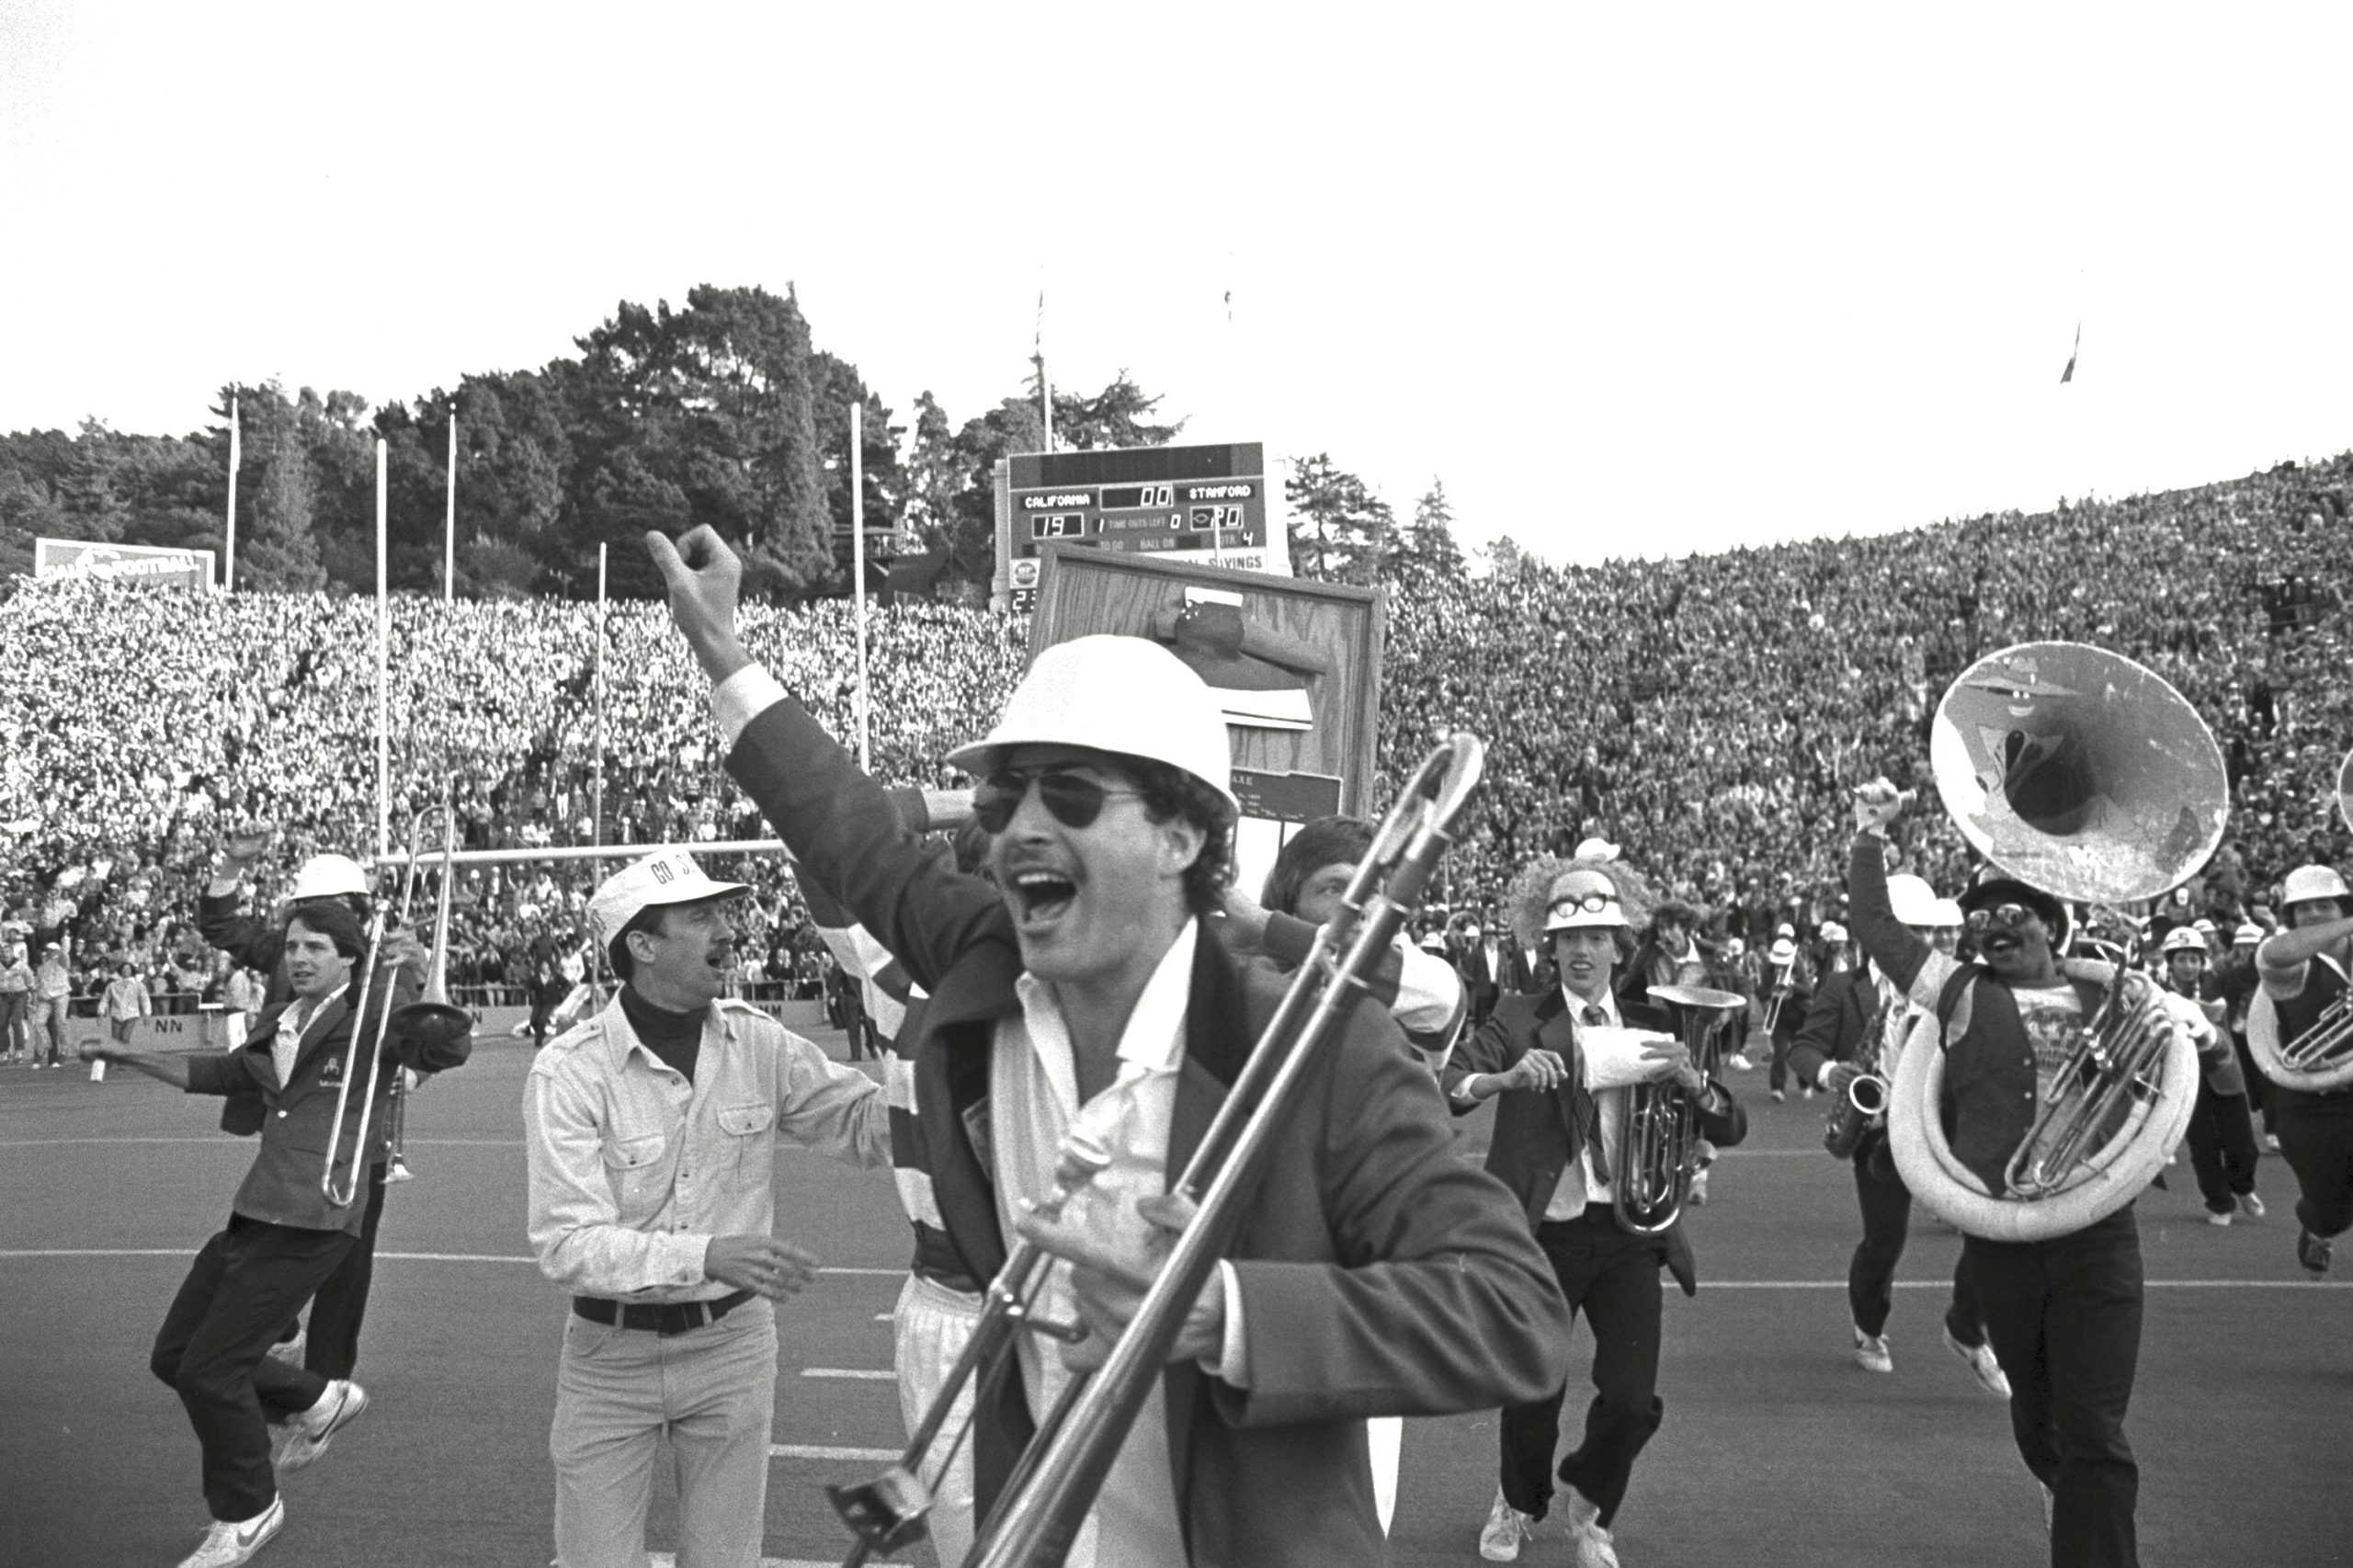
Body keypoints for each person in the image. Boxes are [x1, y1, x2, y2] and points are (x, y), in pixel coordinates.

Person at [644, 523, 1568, 1568]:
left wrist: (1220, 1311)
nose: (1019, 828)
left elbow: (1514, 1307)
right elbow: (849, 832)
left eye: (1072, 794)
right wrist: (721, 649)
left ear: (1181, 838)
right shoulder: (985, 952)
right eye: (1005, 798)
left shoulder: (1315, 1043)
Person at [525, 847, 892, 1568]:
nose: (728, 930)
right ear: (642, 944)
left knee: (726, 1561)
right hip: (609, 1359)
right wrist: (705, 1254)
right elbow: (566, 1243)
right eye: (702, 917)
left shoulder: (757, 1040)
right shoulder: (568, 1072)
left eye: (725, 911)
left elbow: (860, 1124)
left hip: (733, 1346)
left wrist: (934, 1062)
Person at [80, 901, 470, 1568]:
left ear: (349, 957)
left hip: (316, 1222)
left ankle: (250, 1511)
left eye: (317, 947)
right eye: (293, 946)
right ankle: (320, 1397)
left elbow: (443, 1046)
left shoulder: (373, 1014)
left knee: (212, 1368)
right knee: (175, 1357)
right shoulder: (288, 1020)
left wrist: (422, 971)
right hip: (259, 1212)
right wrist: (128, 1053)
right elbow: (227, 1075)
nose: (299, 957)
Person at [1849, 778, 2146, 1568]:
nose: (1991, 930)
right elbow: (1874, 927)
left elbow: (2157, 1075)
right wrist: (1869, 835)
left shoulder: (2112, 996)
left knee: (2096, 1433)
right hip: (2004, 1237)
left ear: (2051, 924)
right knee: (2040, 1422)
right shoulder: (1957, 992)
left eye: (2011, 914)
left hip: (2096, 1233)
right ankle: (2063, 1492)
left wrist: (2209, 1044)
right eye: (1978, 919)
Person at [1443, 854, 1746, 1568]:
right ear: (1549, 948)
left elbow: (1730, 1127)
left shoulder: (1653, 1018)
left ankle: (1592, 1500)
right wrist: (1506, 1076)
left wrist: (1692, 1080)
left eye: (1597, 937)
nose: (1582, 951)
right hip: (1542, 1234)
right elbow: (1450, 1083)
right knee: (1533, 1388)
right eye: (1568, 940)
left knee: (1634, 1401)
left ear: (1620, 945)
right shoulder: (1518, 1015)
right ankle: (1517, 1503)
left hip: (1630, 1235)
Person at [1218, 813, 1472, 1535]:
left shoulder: (1423, 980)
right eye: (1338, 888)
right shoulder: (1249, 982)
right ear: (1292, 896)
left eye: (1376, 890)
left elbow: (1373, 976)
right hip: (1248, 1281)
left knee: (1351, 1517)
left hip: (1366, 1288)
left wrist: (1257, 922)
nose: (1360, 906)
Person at [1788, 871, 2006, 1393]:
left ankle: (1969, 1328)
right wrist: (1828, 1073)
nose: (1927, 943)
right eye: (1916, 931)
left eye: (1933, 932)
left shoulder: (1959, 983)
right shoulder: (1845, 986)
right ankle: (1869, 1329)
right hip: (1881, 1128)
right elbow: (1803, 1047)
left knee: (1992, 1230)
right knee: (1885, 1243)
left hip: (1950, 1127)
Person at [198, 836, 398, 1395]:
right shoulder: (292, 950)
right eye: (302, 911)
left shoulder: (388, 961)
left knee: (347, 1261)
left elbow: (417, 1036)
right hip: (291, 1125)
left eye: (335, 907)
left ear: (357, 911)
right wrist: (232, 864)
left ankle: (326, 1381)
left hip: (357, 1137)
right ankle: (280, 1330)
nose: (306, 927)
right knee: (264, 1234)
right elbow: (220, 926)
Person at [2252, 864, 2353, 1278]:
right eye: (2302, 909)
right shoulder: (2288, 962)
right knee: (2332, 1207)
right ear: (2289, 919)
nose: (2313, 914)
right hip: (2311, 1105)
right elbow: (2275, 953)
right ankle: (2317, 1225)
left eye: (2323, 905)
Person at [2154, 926, 2264, 1227]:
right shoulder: (2157, 992)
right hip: (2183, 1078)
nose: (2189, 966)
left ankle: (2243, 1186)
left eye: (2194, 959)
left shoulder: (2220, 983)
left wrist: (2264, 930)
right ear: (2170, 962)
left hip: (2226, 1074)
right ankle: (2220, 1201)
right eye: (2182, 959)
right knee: (2203, 1147)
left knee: (2243, 1145)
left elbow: (2255, 970)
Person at [97, 960, 153, 1081]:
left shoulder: (139, 985)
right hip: (117, 1013)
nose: (126, 971)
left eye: (128, 969)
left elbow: (145, 999)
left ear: (132, 971)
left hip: (132, 1014)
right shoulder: (113, 985)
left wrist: (147, 1014)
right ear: (120, 971)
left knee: (125, 1038)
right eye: (124, 969)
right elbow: (105, 999)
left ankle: (122, 1062)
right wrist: (101, 1013)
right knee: (115, 1039)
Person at [0, 938, 33, 1062]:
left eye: (7, 951)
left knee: (16, 1020)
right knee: (1, 1023)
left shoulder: (21, 965)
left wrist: (32, 996)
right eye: (2, 951)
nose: (4, 954)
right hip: (3, 996)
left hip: (19, 995)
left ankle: (19, 1050)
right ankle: (3, 1051)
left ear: (12, 952)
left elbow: (30, 980)